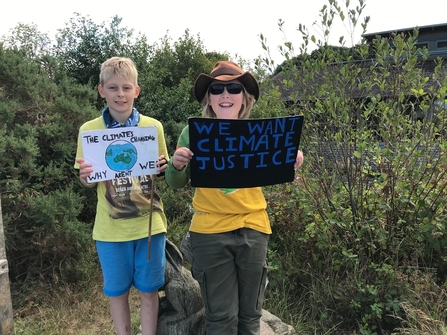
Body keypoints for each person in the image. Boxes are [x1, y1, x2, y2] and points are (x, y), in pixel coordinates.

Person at [165, 61, 304, 335]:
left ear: (244, 97)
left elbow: (280, 168)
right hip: (210, 233)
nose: (225, 94)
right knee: (221, 319)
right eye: (217, 89)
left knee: (251, 315)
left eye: (233, 88)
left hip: (254, 228)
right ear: (209, 98)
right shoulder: (192, 132)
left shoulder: (262, 134)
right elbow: (175, 182)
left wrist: (293, 160)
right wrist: (177, 163)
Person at [74, 57, 169, 335]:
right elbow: (89, 182)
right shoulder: (88, 131)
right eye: (113, 88)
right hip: (110, 231)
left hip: (150, 228)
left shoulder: (153, 128)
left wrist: (163, 167)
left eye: (126, 88)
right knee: (117, 294)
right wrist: (85, 178)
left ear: (136, 91)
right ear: (101, 90)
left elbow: (160, 171)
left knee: (150, 292)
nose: (120, 94)